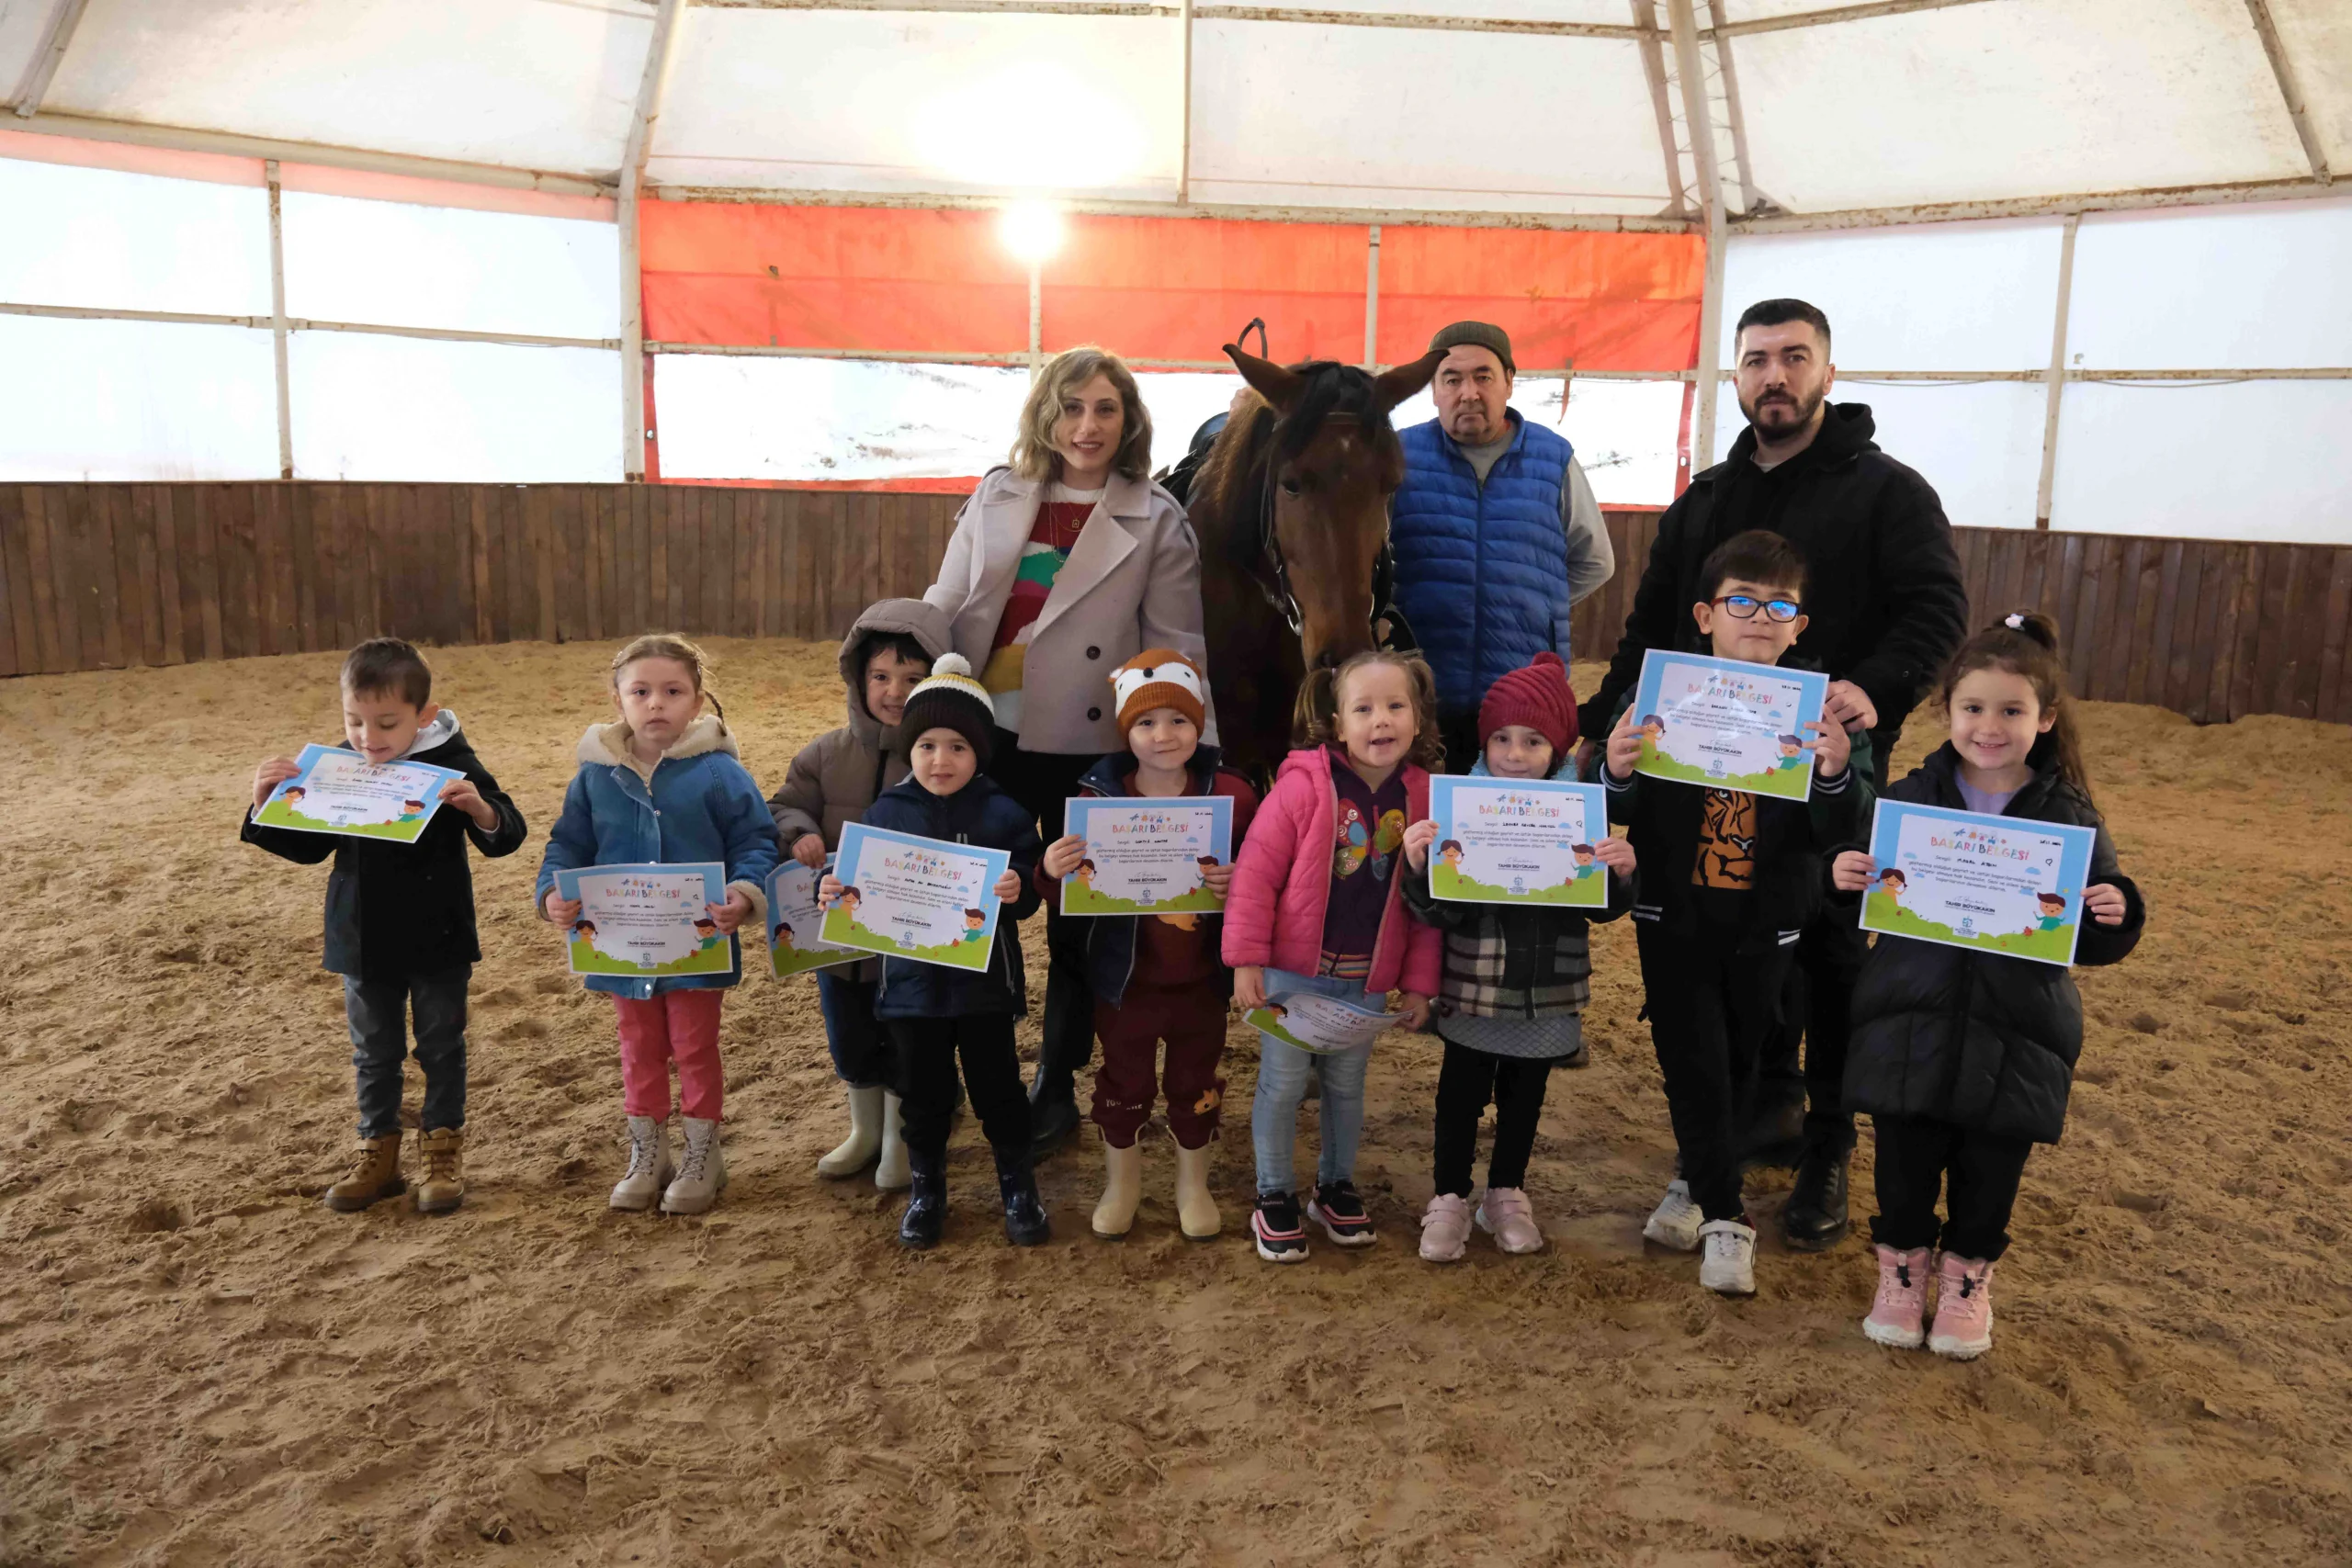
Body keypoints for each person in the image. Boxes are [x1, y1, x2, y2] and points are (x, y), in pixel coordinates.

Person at [1578, 297, 1969, 1252]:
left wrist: (1861, 695)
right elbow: (1650, 629)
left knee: (1830, 955)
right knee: (1724, 946)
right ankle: (1737, 1128)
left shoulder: (1889, 493)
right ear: (1737, 377)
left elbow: (1934, 609)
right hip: (1698, 768)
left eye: (1794, 358)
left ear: (1826, 375)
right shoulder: (1705, 498)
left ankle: (1828, 1141)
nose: (1774, 376)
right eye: (1755, 360)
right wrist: (1602, 727)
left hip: (1824, 758)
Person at [922, 345, 1213, 1159]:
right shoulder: (997, 492)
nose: (1088, 425)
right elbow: (948, 599)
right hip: (989, 731)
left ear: (1130, 422)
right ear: (1046, 413)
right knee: (980, 899)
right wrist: (912, 665)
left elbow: (1174, 641)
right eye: (1073, 406)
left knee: (1079, 916)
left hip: (1090, 741)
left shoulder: (1156, 515)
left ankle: (1056, 1073)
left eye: (1106, 409)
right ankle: (961, 1069)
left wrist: (1184, 747)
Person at [1833, 612, 2144, 1358]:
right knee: (1903, 1169)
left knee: (1990, 1172)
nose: (1990, 726)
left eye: (2012, 709)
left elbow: (2097, 927)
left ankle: (1969, 1280)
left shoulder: (2070, 816)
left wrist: (2116, 908)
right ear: (1950, 711)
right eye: (1974, 707)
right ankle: (1901, 1276)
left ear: (2046, 718)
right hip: (1909, 1020)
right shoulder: (1908, 796)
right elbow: (1862, 878)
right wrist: (1841, 876)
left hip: (2018, 1032)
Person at [1599, 531, 1871, 1297]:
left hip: (1771, 917)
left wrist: (1833, 770)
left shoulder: (1823, 712)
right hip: (1672, 907)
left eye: (1779, 605)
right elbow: (1615, 801)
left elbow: (1839, 829)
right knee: (1689, 1051)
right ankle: (1726, 1214)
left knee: (1742, 1056)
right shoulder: (1651, 696)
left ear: (1799, 625)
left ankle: (1692, 1180)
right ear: (1704, 615)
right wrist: (1614, 769)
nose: (1760, 616)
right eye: (1742, 602)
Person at [243, 637, 527, 1215]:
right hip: (361, 936)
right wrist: (263, 804)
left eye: (387, 723)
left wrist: (480, 809)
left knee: (441, 1046)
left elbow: (508, 833)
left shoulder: (453, 762)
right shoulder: (337, 770)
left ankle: (443, 1152)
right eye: (354, 720)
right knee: (373, 1051)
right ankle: (379, 1153)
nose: (368, 736)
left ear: (424, 716)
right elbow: (308, 848)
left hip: (438, 935)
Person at [1397, 652, 1634, 1261]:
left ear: (1556, 748)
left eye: (1532, 740)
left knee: (1524, 1099)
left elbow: (1601, 911)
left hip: (1546, 989)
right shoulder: (1461, 807)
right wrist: (1422, 869)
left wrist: (1620, 874)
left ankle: (1505, 1192)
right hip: (1474, 984)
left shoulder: (1579, 810)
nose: (1513, 752)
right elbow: (1435, 913)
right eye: (1500, 737)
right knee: (1460, 1095)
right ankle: (1448, 1195)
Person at [537, 636, 781, 1217]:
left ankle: (703, 1155)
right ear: (618, 699)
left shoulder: (721, 772)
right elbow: (567, 844)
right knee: (638, 1047)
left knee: (695, 1048)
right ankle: (648, 1155)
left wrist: (743, 895)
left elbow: (756, 840)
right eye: (640, 691)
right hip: (621, 949)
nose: (656, 704)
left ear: (697, 702)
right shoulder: (595, 778)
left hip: (696, 945)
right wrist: (553, 893)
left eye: (673, 692)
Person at [822, 655, 1047, 1249]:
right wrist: (836, 885)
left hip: (984, 990)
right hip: (911, 991)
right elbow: (858, 888)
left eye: (957, 746)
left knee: (999, 1089)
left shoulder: (1004, 813)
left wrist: (1019, 885)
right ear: (908, 748)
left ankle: (1017, 1186)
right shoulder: (886, 814)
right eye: (926, 745)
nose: (940, 760)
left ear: (980, 752)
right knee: (921, 1095)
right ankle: (927, 1188)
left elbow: (1029, 884)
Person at [1225, 649, 1442, 1263]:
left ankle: (1334, 1185)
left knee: (1347, 1087)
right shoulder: (1302, 787)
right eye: (1364, 707)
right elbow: (1255, 876)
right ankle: (1273, 1193)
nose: (1382, 720)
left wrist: (1419, 985)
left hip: (1366, 985)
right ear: (1338, 722)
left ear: (1418, 719)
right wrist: (1246, 959)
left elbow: (1426, 906)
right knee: (1283, 1083)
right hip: (1294, 978)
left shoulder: (1425, 799)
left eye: (1396, 706)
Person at [1036, 651, 1259, 1240]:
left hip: (1201, 981)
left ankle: (1193, 1185)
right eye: (1145, 723)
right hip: (1123, 979)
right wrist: (1051, 871)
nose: (1164, 735)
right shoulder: (1094, 797)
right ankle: (1123, 1184)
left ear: (1200, 723)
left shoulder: (1233, 793)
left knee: (1196, 1079)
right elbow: (1067, 899)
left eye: (1179, 720)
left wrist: (1239, 879)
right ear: (1125, 732)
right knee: (1124, 1079)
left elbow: (1266, 877)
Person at [766, 597, 949, 1190]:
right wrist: (800, 834)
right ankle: (864, 1130)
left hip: (907, 946)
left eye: (912, 678)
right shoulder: (825, 753)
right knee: (848, 1035)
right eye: (880, 676)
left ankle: (899, 1136)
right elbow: (785, 804)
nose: (893, 691)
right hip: (836, 944)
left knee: (905, 1038)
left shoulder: (940, 760)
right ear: (858, 678)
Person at [1387, 321, 1616, 769]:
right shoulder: (1399, 458)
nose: (1468, 392)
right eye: (1451, 379)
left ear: (1509, 381)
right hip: (1422, 689)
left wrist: (1538, 601)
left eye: (1483, 376)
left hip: (1520, 697)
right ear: (1433, 391)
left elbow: (1596, 560)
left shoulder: (1554, 458)